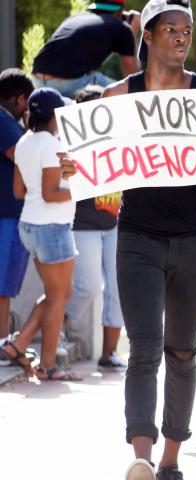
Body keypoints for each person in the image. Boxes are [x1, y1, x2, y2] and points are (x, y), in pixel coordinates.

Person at [60, 1, 196, 479]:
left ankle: (170, 460)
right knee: (143, 349)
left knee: (182, 351)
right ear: (148, 34)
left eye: (188, 30)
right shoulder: (117, 96)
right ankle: (140, 454)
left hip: (195, 238)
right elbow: (94, 175)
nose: (182, 37)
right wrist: (74, 169)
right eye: (172, 29)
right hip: (138, 236)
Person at [3, 87, 80, 381]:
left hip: (31, 225)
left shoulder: (24, 141)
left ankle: (19, 343)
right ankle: (48, 366)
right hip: (52, 228)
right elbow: (50, 194)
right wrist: (82, 188)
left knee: (57, 294)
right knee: (59, 297)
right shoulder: (50, 144)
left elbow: (18, 191)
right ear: (54, 115)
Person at [60, 85, 125, 368]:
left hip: (116, 223)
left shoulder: (121, 140)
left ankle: (109, 354)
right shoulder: (71, 144)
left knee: (118, 289)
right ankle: (56, 325)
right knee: (88, 286)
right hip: (83, 224)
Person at [31, 0, 140, 98]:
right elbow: (133, 77)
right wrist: (131, 30)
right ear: (120, 11)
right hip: (67, 83)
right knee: (123, 92)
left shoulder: (76, 18)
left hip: (37, 79)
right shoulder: (122, 28)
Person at [0, 69, 33, 342]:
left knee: (5, 286)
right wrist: (34, 128)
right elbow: (24, 156)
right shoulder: (2, 120)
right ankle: (1, 343)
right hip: (5, 215)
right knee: (2, 286)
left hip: (10, 214)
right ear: (21, 100)